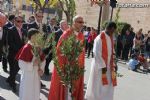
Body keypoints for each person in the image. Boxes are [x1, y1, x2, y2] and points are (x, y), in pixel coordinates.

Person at [48, 15, 85, 100]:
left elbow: (82, 54)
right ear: (74, 23)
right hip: (66, 69)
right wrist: (67, 64)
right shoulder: (66, 34)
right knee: (66, 92)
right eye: (80, 22)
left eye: (82, 22)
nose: (82, 24)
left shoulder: (81, 36)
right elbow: (59, 53)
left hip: (77, 69)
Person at [85, 22, 117, 100]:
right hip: (100, 66)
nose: (113, 33)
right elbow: (96, 54)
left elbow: (112, 51)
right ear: (109, 29)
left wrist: (115, 63)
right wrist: (103, 67)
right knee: (99, 85)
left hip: (109, 65)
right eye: (112, 31)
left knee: (109, 84)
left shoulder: (110, 37)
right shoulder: (99, 38)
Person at [15, 29, 45, 100]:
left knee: (35, 91)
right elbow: (21, 64)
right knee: (27, 91)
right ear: (31, 36)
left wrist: (41, 69)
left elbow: (43, 60)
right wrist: (32, 64)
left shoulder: (38, 47)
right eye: (36, 36)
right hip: (28, 75)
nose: (38, 38)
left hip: (36, 73)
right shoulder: (26, 47)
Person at [6, 16, 26, 92]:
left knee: (17, 69)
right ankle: (13, 85)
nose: (20, 23)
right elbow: (10, 42)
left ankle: (9, 79)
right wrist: (20, 50)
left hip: (21, 54)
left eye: (21, 21)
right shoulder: (10, 30)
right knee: (13, 70)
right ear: (14, 21)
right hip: (13, 54)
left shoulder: (24, 30)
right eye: (18, 21)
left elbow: (25, 42)